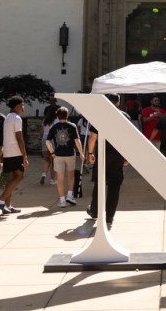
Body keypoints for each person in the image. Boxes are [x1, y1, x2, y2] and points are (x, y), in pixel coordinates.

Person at [87, 93, 130, 229]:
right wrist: (127, 155)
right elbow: (127, 137)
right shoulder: (125, 116)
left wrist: (90, 152)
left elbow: (93, 137)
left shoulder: (100, 115)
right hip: (117, 155)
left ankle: (95, 211)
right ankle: (109, 216)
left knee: (99, 184)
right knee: (114, 186)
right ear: (118, 102)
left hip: (103, 153)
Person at [45, 106, 85, 208]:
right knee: (71, 176)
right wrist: (81, 153)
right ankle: (70, 196)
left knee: (60, 178)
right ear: (67, 115)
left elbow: (47, 141)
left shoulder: (53, 127)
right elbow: (77, 140)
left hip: (58, 155)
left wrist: (52, 152)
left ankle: (62, 200)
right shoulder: (72, 126)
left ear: (57, 116)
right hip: (70, 154)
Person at [0, 96, 28, 214]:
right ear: (16, 106)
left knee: (11, 179)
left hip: (7, 152)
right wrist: (24, 155)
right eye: (22, 105)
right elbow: (19, 138)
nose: (23, 107)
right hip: (15, 152)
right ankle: (1, 200)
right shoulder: (17, 118)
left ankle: (7, 205)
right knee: (20, 176)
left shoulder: (7, 117)